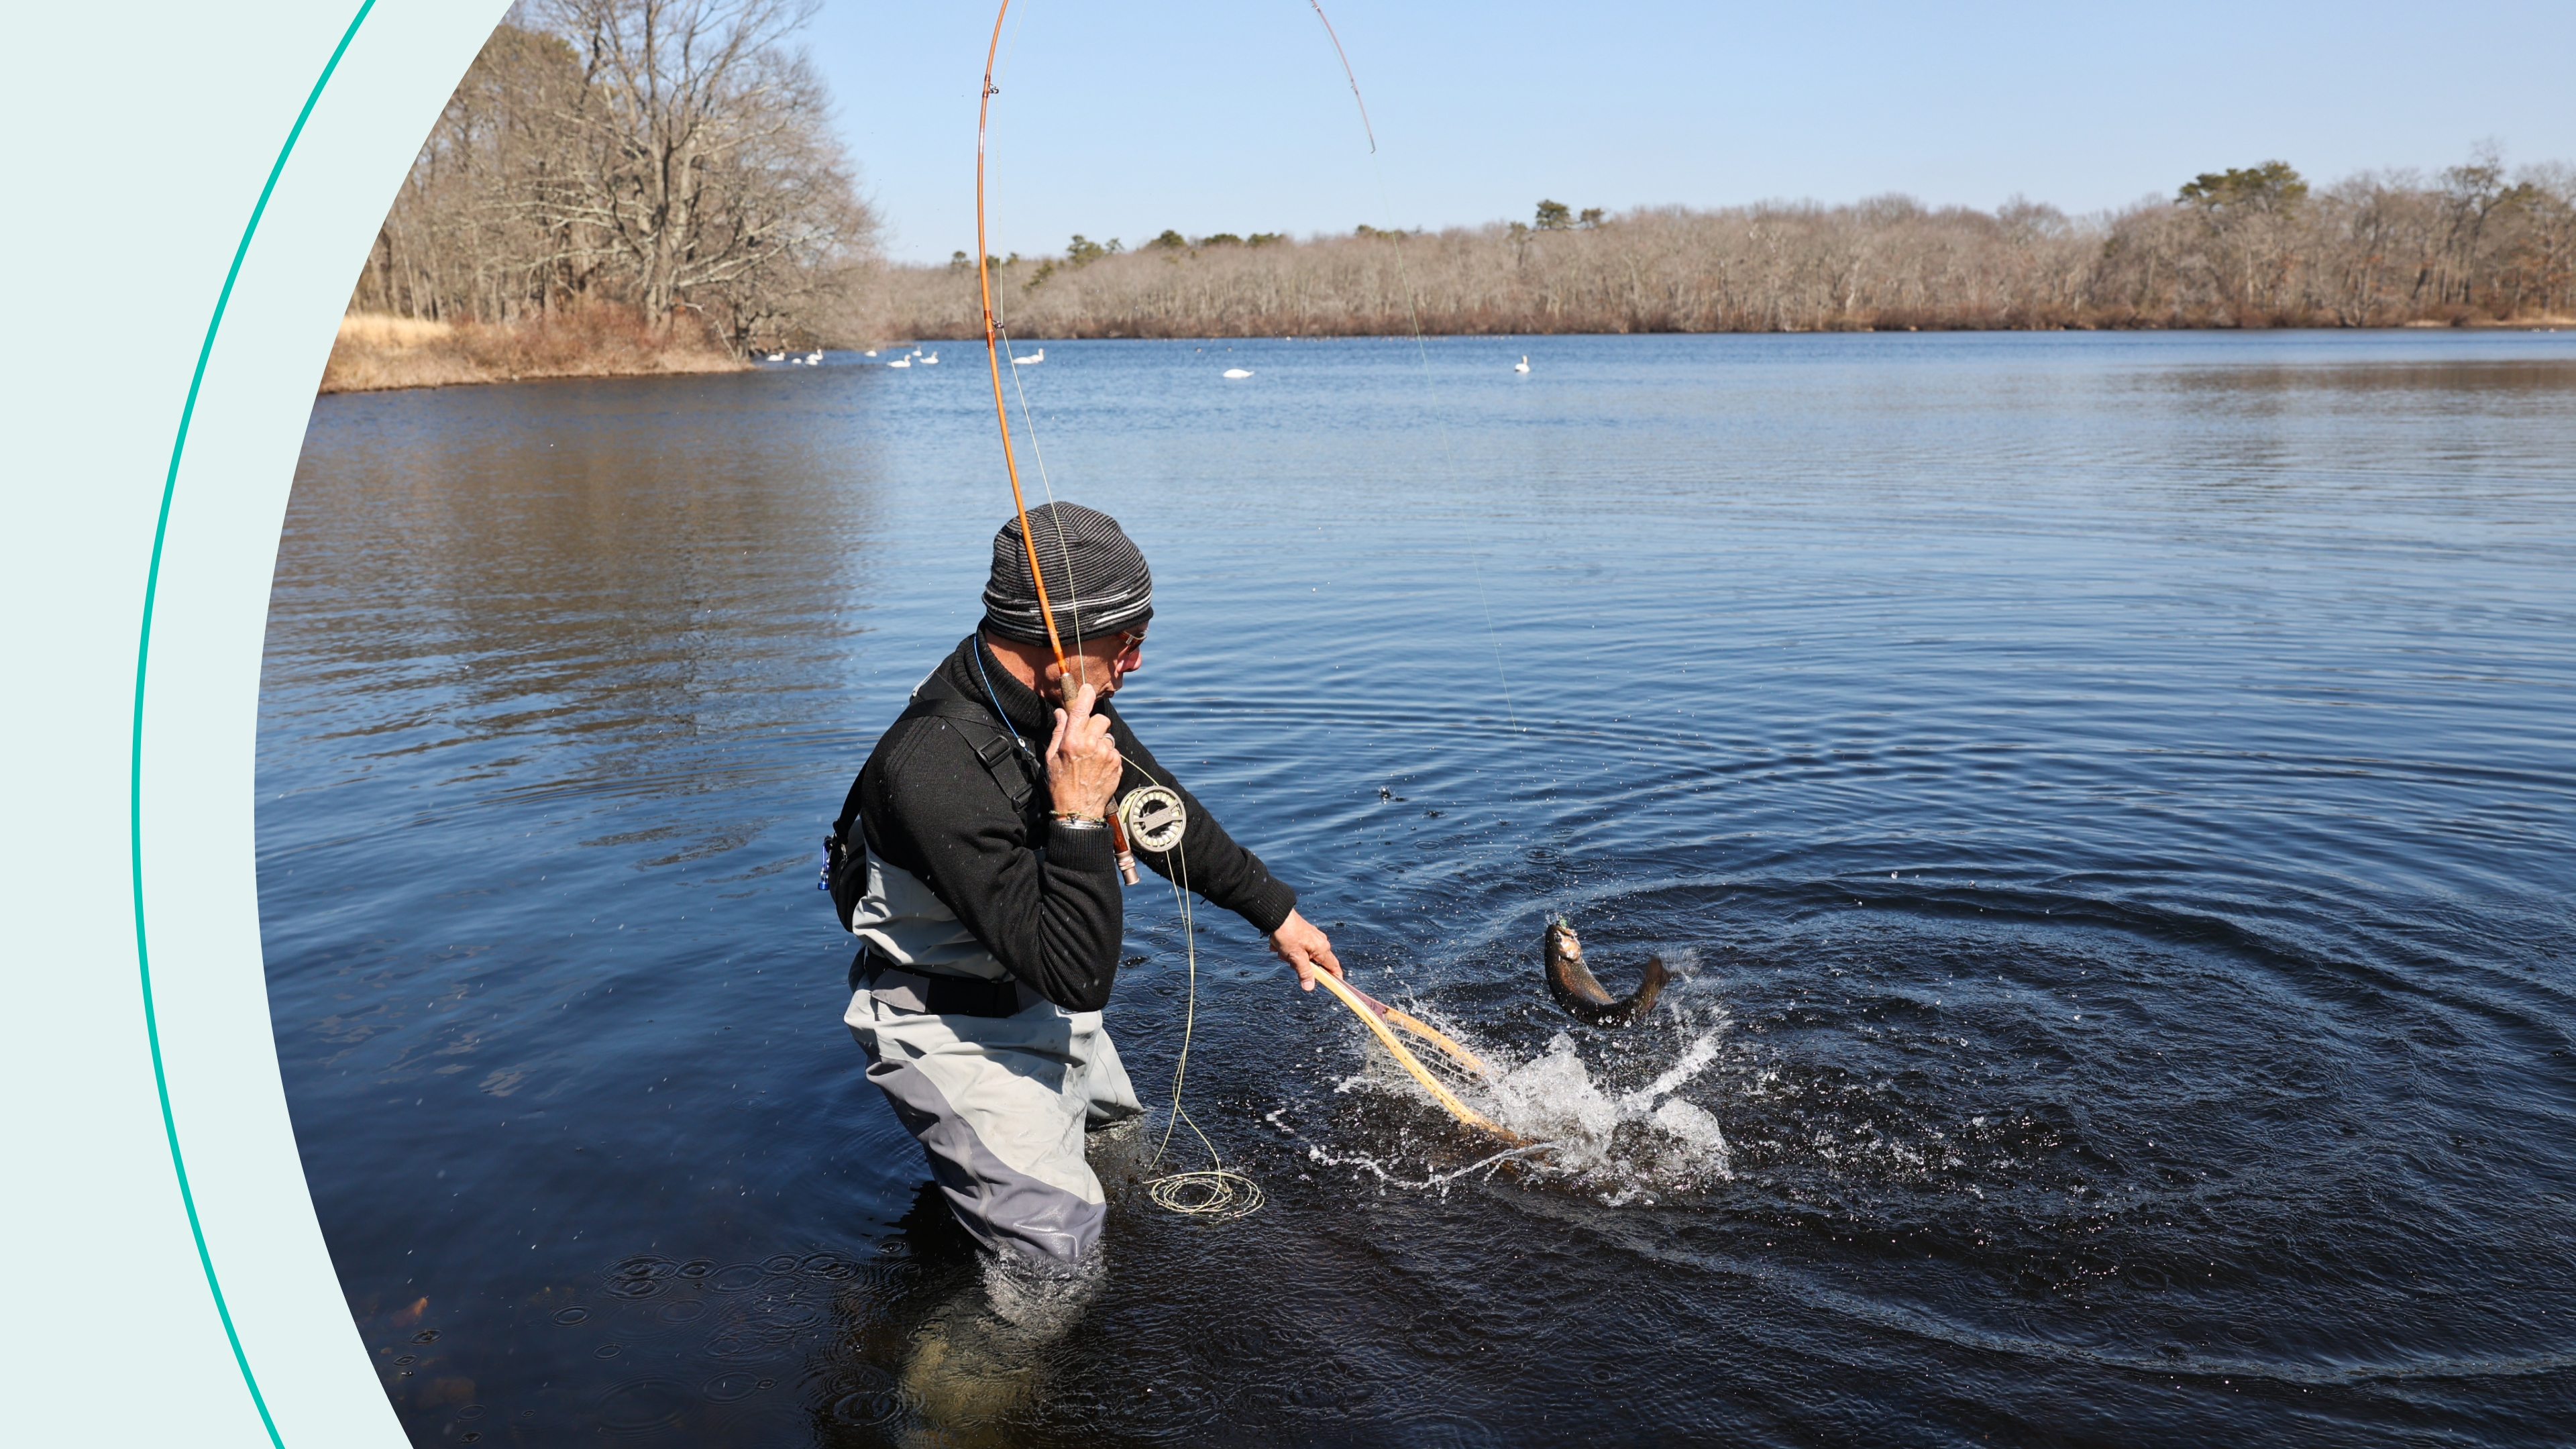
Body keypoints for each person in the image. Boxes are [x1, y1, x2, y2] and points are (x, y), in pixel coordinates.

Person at [828, 501, 1342, 1265]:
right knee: (1058, 1260)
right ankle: (950, 1369)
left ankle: (979, 1208)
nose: (1137, 663)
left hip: (1033, 982)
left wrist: (1277, 914)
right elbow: (1081, 977)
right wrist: (1075, 813)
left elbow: (1156, 812)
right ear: (1059, 639)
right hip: (950, 1028)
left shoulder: (1063, 702)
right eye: (1127, 643)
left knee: (1117, 1148)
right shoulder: (933, 765)